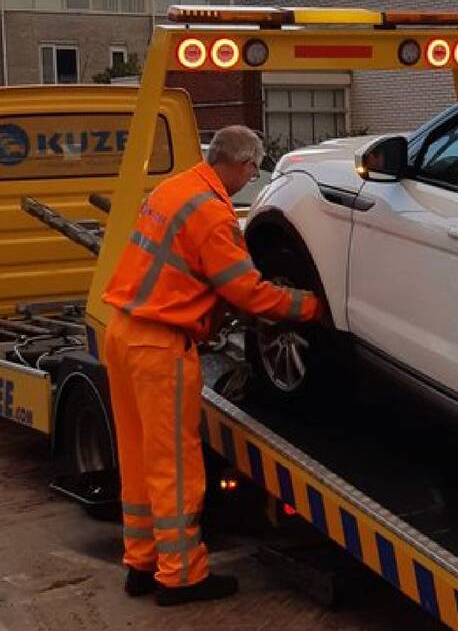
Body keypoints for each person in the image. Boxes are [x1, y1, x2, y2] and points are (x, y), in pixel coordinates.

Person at [102, 125, 321, 606]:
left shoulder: (175, 188)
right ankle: (180, 576)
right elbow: (246, 290)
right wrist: (309, 307)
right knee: (175, 466)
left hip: (122, 331)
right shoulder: (213, 214)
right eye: (251, 171)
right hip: (160, 344)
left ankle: (141, 563)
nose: (250, 180)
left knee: (136, 455)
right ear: (244, 165)